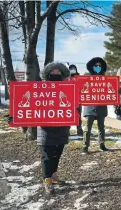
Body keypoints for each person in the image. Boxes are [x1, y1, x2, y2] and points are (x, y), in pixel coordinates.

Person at [38, 62, 71, 195]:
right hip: (46, 128)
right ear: (47, 74)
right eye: (53, 72)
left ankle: (53, 176)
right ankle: (47, 181)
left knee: (57, 153)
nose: (56, 74)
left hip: (62, 127)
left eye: (58, 72)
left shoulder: (68, 88)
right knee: (47, 156)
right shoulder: (39, 88)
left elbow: (72, 103)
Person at [82, 57, 109, 154]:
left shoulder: (106, 78)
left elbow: (111, 91)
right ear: (92, 67)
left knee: (101, 127)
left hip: (101, 106)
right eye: (96, 66)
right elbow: (81, 89)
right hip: (89, 106)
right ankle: (85, 146)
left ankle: (102, 145)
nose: (98, 67)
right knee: (88, 128)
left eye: (99, 66)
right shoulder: (86, 77)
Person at [68, 64, 83, 135]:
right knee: (69, 115)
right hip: (69, 100)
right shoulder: (67, 78)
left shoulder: (79, 77)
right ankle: (67, 130)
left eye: (74, 68)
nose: (73, 70)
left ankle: (79, 129)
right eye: (71, 69)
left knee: (78, 116)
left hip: (78, 100)